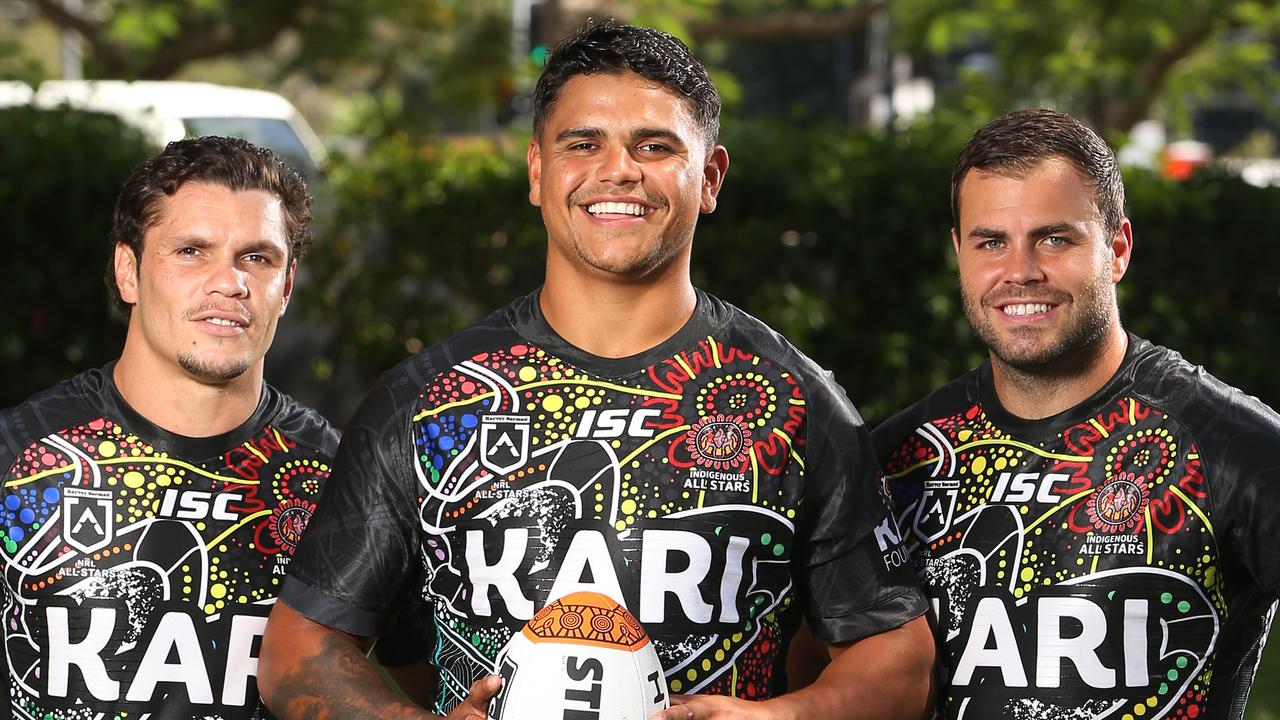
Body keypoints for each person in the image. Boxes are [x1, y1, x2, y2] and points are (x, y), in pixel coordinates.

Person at [258, 19, 936, 720]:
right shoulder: (429, 399)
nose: (617, 170)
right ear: (537, 171)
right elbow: (300, 645)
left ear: (710, 177)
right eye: (583, 143)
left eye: (655, 145)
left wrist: (783, 716)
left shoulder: (794, 402)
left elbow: (898, 659)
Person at [874, 108, 1280, 719]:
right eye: (991, 242)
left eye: (1054, 238)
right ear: (959, 251)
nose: (1020, 273)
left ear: (1116, 249)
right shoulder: (901, 458)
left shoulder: (1231, 446)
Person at [0, 136, 339, 719]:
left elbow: (406, 680)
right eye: (191, 251)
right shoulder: (18, 458)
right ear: (127, 271)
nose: (229, 283)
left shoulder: (340, 480)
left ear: (285, 287)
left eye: (257, 257)